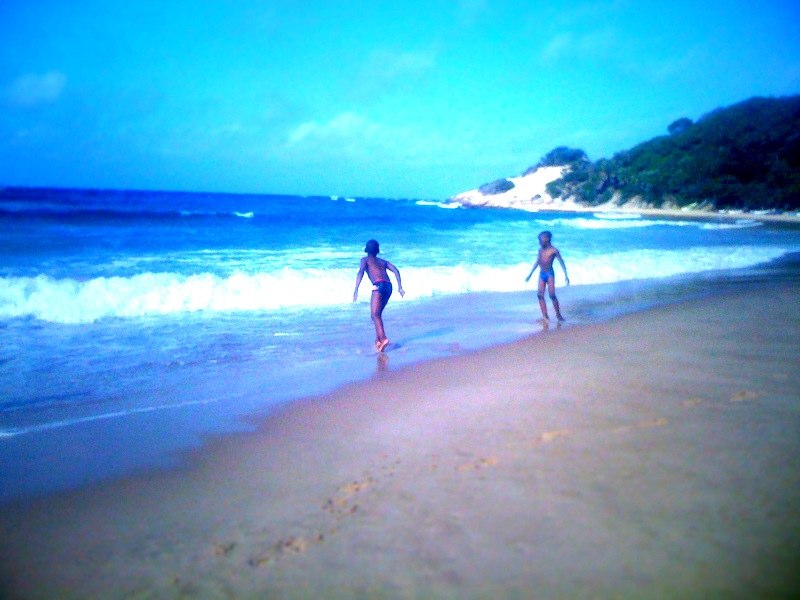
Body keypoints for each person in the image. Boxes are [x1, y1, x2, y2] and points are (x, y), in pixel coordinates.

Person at [353, 239, 405, 352]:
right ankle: (378, 340)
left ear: (366, 250)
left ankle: (383, 338)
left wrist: (356, 289)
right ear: (377, 250)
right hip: (388, 286)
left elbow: (361, 272)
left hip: (379, 285)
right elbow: (396, 270)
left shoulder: (365, 260)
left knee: (375, 314)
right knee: (377, 314)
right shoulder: (383, 262)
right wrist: (399, 287)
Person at [525, 230, 570, 322]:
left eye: (540, 240)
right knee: (539, 295)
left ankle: (558, 315)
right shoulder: (540, 250)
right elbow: (537, 262)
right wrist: (530, 274)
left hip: (549, 274)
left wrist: (566, 275)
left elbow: (561, 262)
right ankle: (545, 316)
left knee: (552, 295)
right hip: (541, 274)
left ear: (547, 239)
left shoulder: (554, 250)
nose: (539, 242)